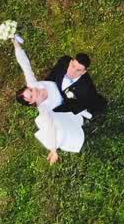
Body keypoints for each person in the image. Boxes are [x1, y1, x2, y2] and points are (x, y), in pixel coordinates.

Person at [11, 35, 104, 163]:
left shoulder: (33, 83)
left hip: (64, 86)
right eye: (31, 96)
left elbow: (24, 64)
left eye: (30, 90)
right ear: (31, 102)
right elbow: (50, 128)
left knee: (90, 97)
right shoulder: (44, 108)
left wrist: (16, 45)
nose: (34, 91)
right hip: (67, 104)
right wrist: (53, 150)